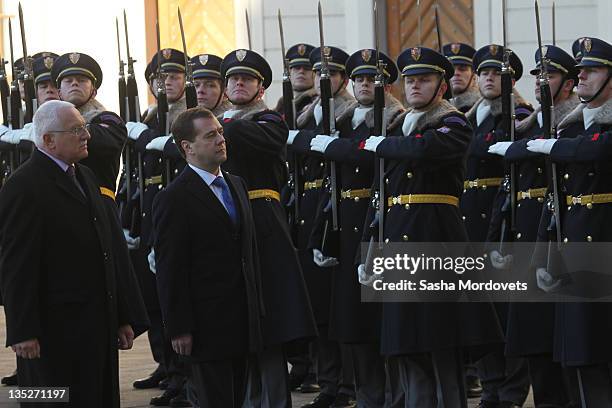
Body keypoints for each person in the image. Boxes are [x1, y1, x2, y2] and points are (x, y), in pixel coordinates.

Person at [361, 46, 503, 408]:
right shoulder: (397, 126)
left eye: (423, 80)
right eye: (409, 80)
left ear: (441, 87)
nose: (414, 86)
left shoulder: (453, 122)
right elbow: (382, 195)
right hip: (397, 245)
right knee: (406, 345)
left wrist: (385, 145)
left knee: (442, 343)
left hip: (436, 239)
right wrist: (370, 246)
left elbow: (425, 150)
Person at [0, 100, 140, 407]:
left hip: (94, 328)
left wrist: (121, 317)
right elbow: (16, 265)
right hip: (51, 334)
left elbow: (105, 250)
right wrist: (22, 331)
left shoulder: (85, 177)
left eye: (85, 127)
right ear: (48, 140)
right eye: (76, 130)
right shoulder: (23, 186)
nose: (86, 135)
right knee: (50, 400)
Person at [219, 48, 317, 408]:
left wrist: (217, 124)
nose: (238, 83)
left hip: (262, 220)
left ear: (261, 88)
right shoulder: (220, 122)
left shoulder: (271, 121)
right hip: (226, 220)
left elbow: (253, 140)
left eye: (246, 79)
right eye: (232, 78)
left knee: (269, 318)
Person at [309, 48, 405, 407]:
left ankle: (395, 396)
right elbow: (330, 181)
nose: (365, 85)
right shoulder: (344, 120)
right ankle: (366, 394)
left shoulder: (396, 119)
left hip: (378, 221)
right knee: (354, 322)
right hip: (347, 223)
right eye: (360, 79)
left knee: (384, 322)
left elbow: (368, 153)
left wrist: (336, 148)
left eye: (373, 79)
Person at [152, 107, 264, 407]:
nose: (221, 140)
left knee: (239, 398)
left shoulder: (236, 184)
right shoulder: (174, 197)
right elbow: (171, 268)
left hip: (242, 321)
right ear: (187, 147)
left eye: (221, 132)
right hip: (205, 326)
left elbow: (247, 254)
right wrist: (178, 327)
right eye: (210, 135)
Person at [526, 36, 612, 407]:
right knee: (576, 352)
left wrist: (555, 147)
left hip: (605, 240)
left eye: (592, 71)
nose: (582, 78)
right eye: (580, 72)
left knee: (601, 352)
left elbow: (598, 150)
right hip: (572, 241)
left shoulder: (586, 132)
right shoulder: (573, 126)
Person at [461, 44, 533, 408]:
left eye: (497, 74)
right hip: (469, 217)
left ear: (511, 80)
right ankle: (490, 384)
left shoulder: (519, 116)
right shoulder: (470, 116)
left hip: (500, 214)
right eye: (484, 73)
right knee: (480, 309)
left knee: (506, 308)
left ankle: (511, 390)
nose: (488, 79)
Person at [289, 45, 357, 408]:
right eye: (319, 73)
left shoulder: (347, 114)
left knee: (338, 304)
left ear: (341, 79)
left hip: (338, 208)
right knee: (317, 302)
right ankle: (329, 381)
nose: (323, 79)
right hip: (310, 208)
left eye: (330, 74)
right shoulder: (308, 112)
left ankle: (347, 383)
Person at [443, 43, 480, 114]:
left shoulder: (481, 108)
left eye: (462, 69)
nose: (456, 73)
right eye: (452, 70)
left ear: (473, 75)